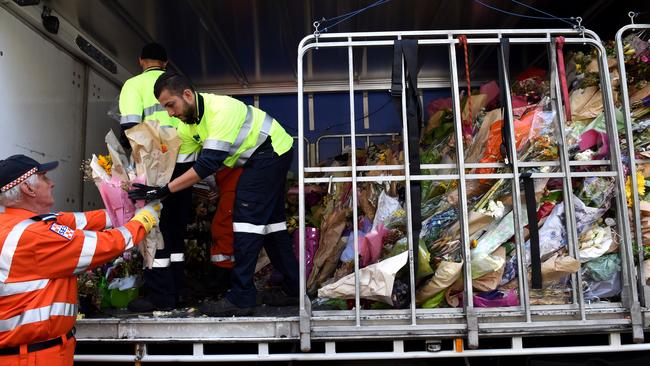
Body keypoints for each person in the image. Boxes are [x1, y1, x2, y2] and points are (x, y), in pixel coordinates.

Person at [129, 72, 299, 316]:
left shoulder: (220, 110)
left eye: (171, 105)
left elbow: (207, 165)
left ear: (187, 95)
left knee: (245, 223)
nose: (170, 113)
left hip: (270, 152)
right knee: (272, 228)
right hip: (258, 159)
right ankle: (294, 289)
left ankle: (242, 297)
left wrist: (164, 190)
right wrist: (154, 188)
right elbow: (183, 168)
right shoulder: (189, 127)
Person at [0, 154, 161, 365]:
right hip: (33, 357)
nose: (52, 183)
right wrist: (145, 218)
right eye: (44, 177)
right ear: (28, 189)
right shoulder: (34, 236)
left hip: (37, 351)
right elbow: (107, 245)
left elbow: (82, 220)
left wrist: (127, 205)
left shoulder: (16, 224)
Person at [118, 42, 189, 312]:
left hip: (155, 167)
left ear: (140, 61)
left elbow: (130, 128)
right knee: (176, 230)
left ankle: (161, 295)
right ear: (166, 62)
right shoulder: (178, 85)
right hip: (185, 166)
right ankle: (179, 290)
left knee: (154, 229)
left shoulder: (133, 86)